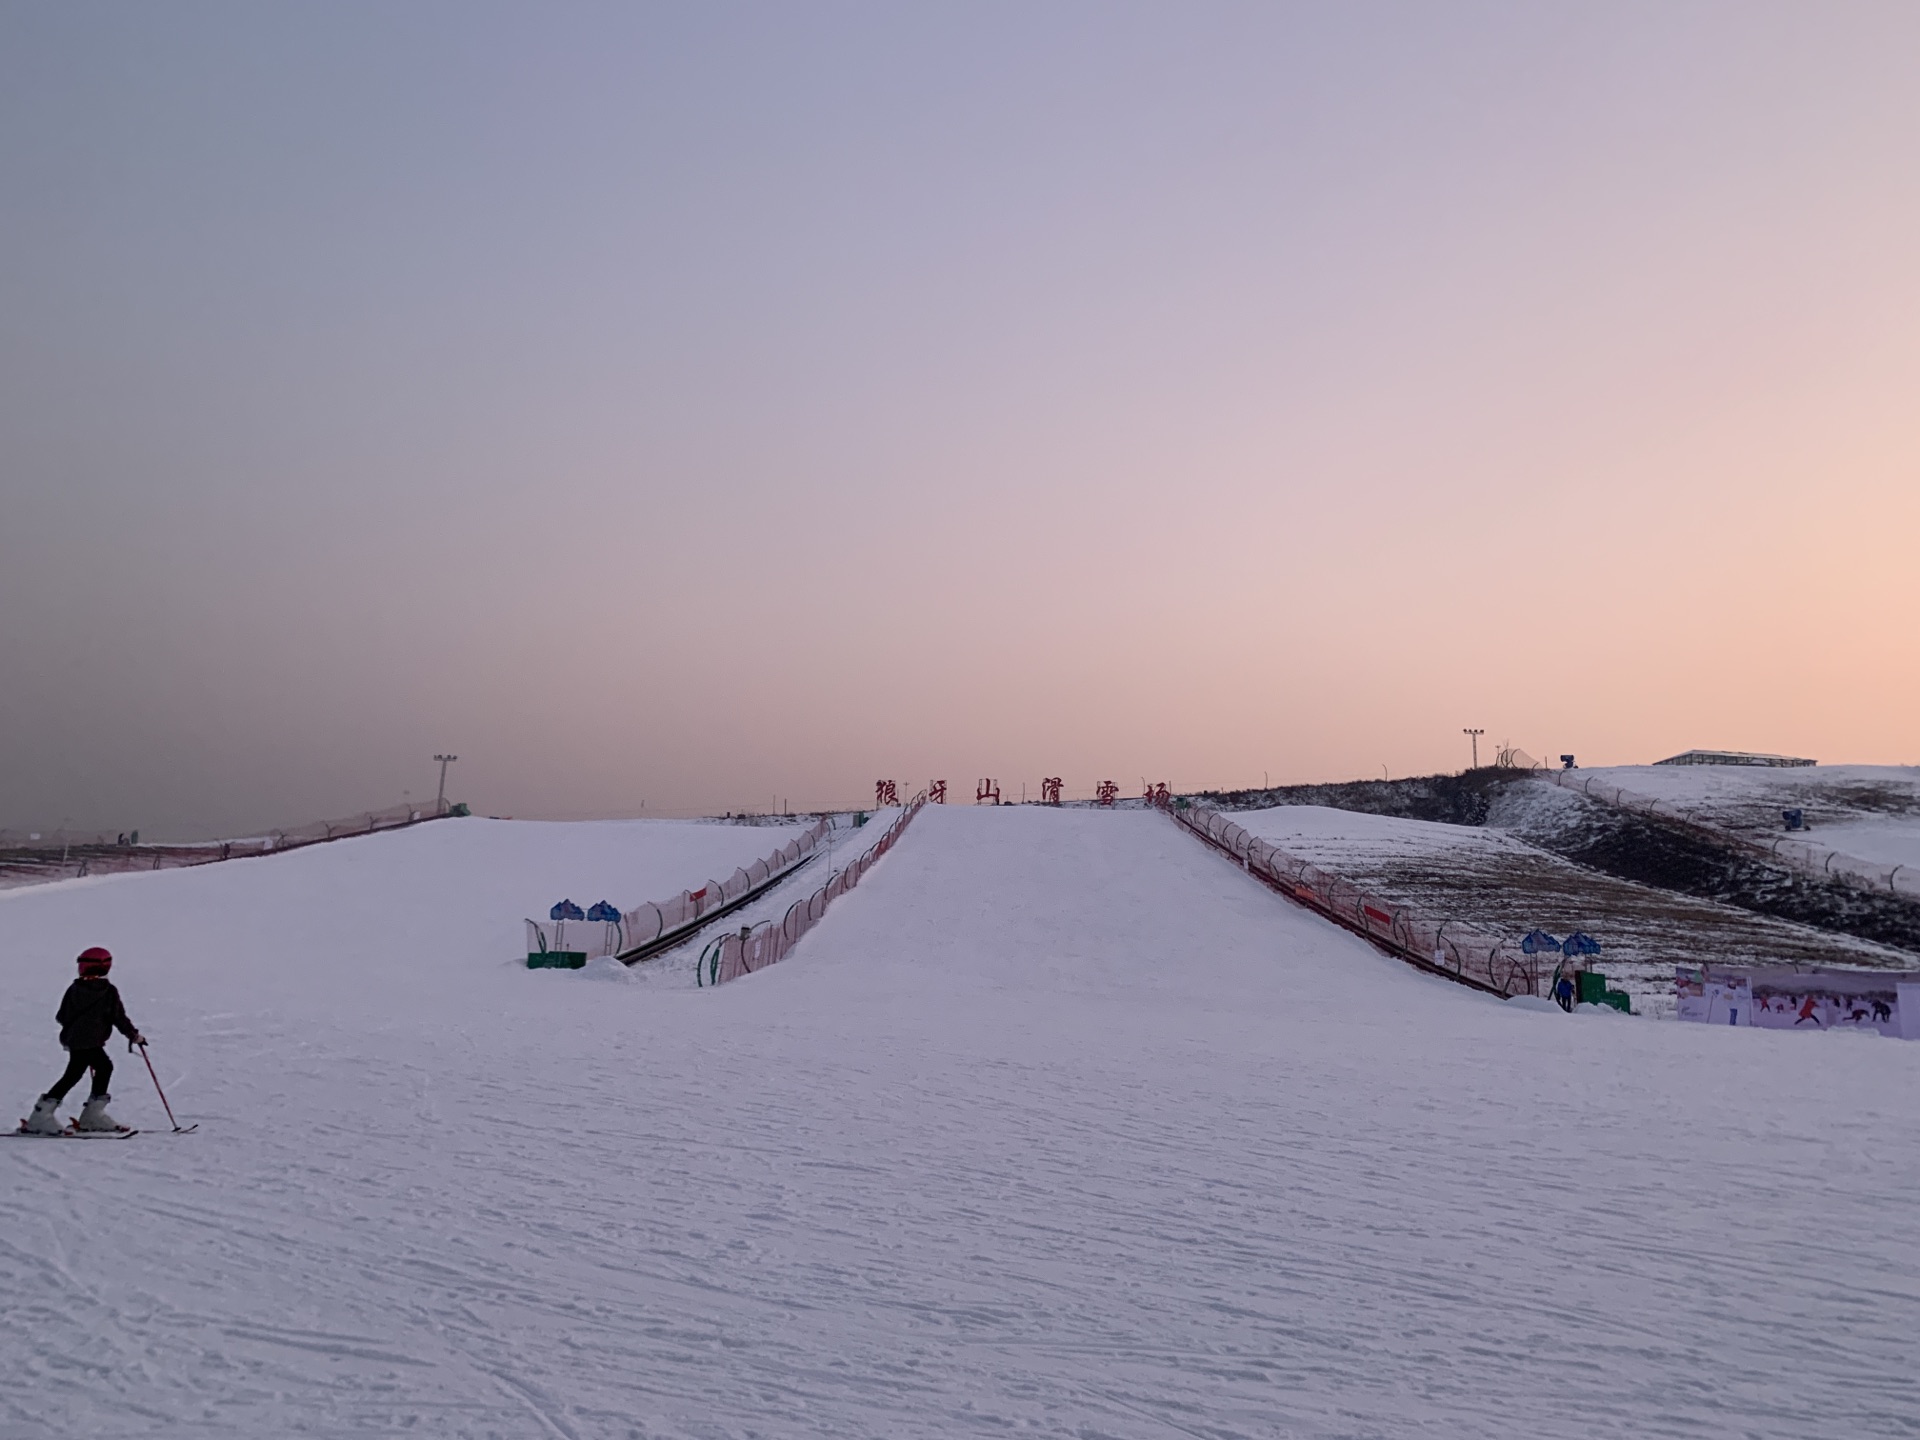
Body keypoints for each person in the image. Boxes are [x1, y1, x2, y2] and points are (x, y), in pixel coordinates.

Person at [20, 947, 144, 1134]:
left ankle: (71, 1114)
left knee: (96, 1068)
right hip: (90, 1041)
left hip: (75, 1040)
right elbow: (118, 1017)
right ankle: (45, 1117)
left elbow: (62, 1016)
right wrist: (133, 1035)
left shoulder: (75, 989)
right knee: (83, 1072)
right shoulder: (108, 991)